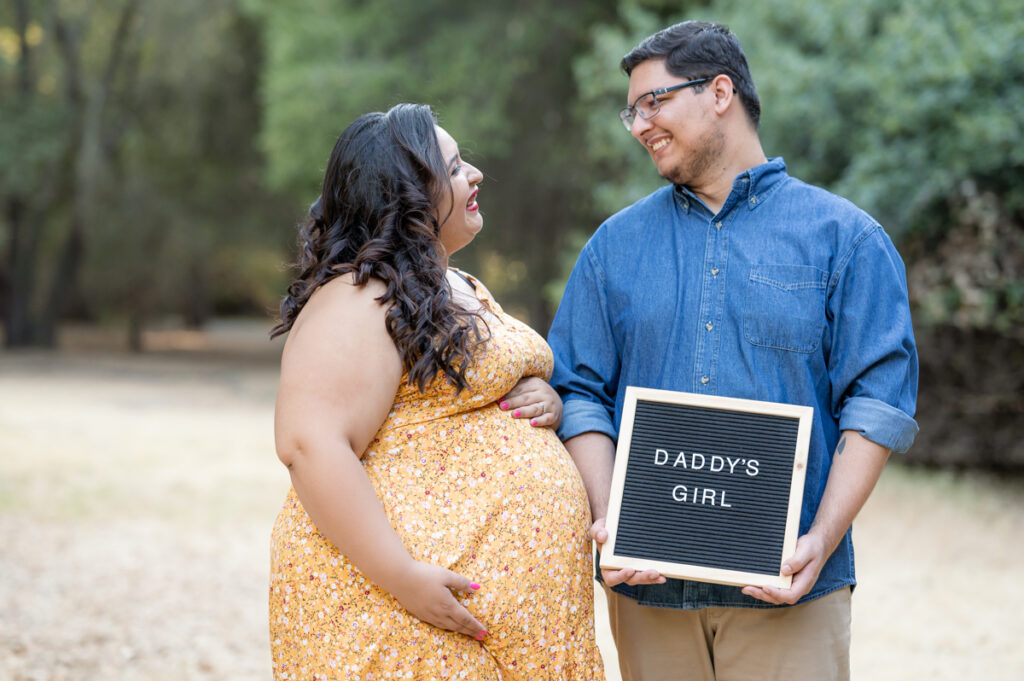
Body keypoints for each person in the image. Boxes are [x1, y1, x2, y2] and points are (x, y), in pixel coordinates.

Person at [548, 21, 919, 681]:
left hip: (792, 588)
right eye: (631, 110)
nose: (639, 124)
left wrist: (819, 541)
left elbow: (878, 402)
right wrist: (612, 521)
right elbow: (578, 391)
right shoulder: (612, 247)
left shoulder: (848, 239)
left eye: (653, 102)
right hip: (647, 595)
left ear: (721, 91)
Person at [268, 103, 604, 680]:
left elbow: (459, 395)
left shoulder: (452, 283)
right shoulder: (358, 298)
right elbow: (310, 444)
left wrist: (542, 398)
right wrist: (402, 576)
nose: (474, 174)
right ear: (405, 198)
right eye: (452, 168)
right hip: (401, 620)